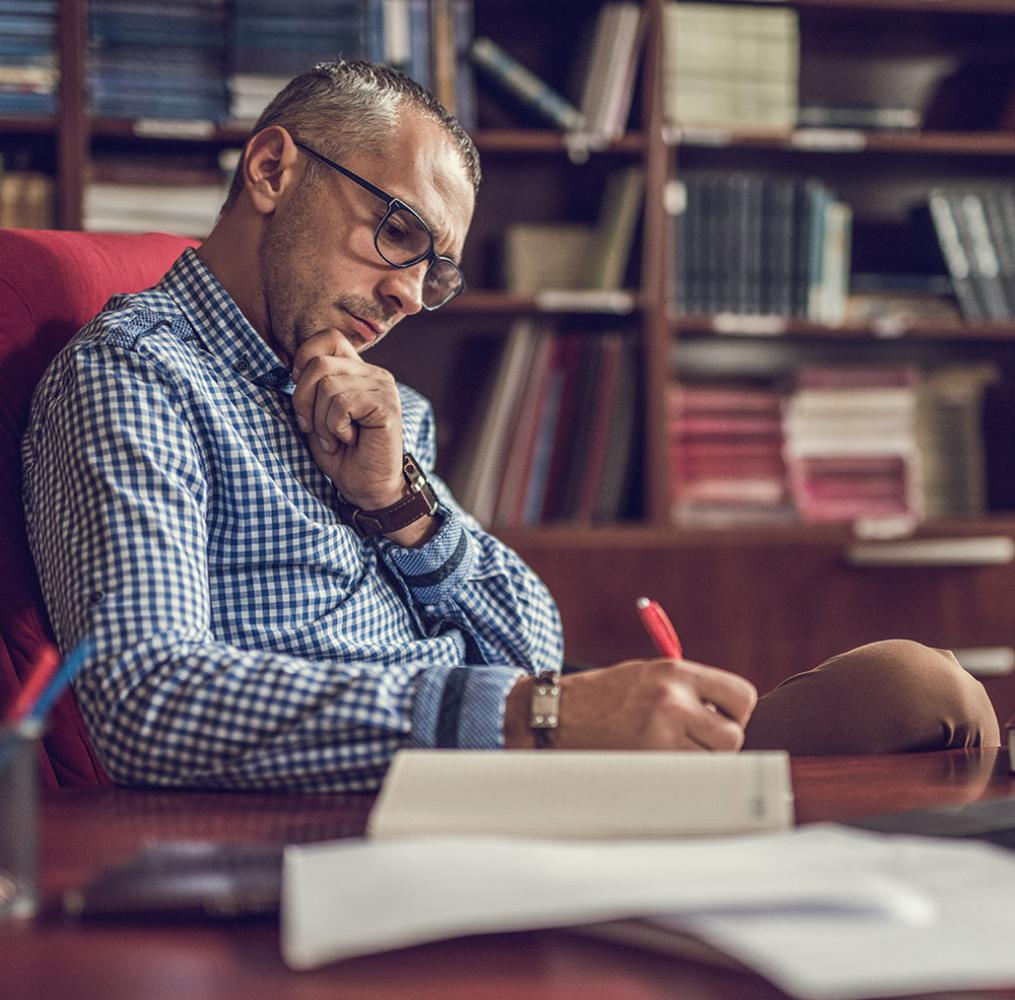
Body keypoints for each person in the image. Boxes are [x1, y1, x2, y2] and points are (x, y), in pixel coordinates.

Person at [22, 62, 999, 791]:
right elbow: (146, 704)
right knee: (922, 708)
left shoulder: (360, 398)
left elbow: (532, 630)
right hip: (401, 801)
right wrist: (534, 717)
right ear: (274, 168)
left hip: (514, 761)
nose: (406, 293)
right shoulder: (140, 376)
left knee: (922, 695)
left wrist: (399, 508)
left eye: (434, 271)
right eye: (396, 230)